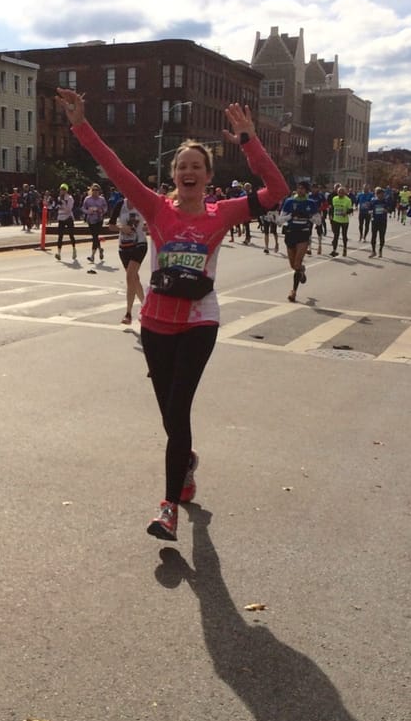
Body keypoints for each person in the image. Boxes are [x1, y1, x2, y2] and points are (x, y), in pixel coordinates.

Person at [55, 88, 288, 543]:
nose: (188, 172)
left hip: (200, 321)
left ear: (207, 176)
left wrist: (248, 140)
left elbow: (277, 192)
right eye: (182, 166)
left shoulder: (224, 213)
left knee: (178, 411)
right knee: (169, 415)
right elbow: (117, 170)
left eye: (196, 167)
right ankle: (186, 463)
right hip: (156, 323)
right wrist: (80, 124)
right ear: (173, 174)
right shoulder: (156, 207)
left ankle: (167, 508)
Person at [279, 180, 320, 303]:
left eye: (303, 188)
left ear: (307, 191)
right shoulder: (289, 201)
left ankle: (294, 292)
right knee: (293, 266)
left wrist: (308, 216)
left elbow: (318, 221)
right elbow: (280, 220)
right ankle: (301, 271)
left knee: (297, 263)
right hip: (291, 233)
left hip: (303, 234)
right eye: (299, 188)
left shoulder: (311, 203)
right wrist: (291, 216)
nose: (300, 190)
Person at [114, 195, 148, 324]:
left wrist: (148, 227)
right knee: (134, 278)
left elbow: (152, 219)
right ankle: (146, 305)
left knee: (130, 276)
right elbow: (111, 225)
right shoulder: (120, 205)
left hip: (139, 243)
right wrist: (121, 228)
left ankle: (128, 314)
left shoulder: (142, 204)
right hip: (124, 245)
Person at [82, 182, 108, 262]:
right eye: (93, 190)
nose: (95, 191)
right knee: (95, 237)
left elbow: (106, 207)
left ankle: (92, 256)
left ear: (99, 191)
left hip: (99, 219)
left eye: (97, 190)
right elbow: (83, 208)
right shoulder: (87, 199)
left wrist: (101, 210)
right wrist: (88, 211)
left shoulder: (102, 199)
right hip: (90, 219)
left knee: (95, 236)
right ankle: (100, 249)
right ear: (91, 190)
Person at [54, 182, 77, 261]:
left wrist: (63, 203)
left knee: (71, 235)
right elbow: (57, 207)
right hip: (61, 218)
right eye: (61, 189)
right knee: (60, 236)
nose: (62, 191)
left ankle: (74, 249)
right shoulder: (58, 198)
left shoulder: (70, 198)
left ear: (66, 190)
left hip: (68, 218)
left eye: (64, 189)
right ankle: (59, 253)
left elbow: (69, 209)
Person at [329, 186, 353, 257]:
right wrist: (330, 215)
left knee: (344, 235)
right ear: (337, 192)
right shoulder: (334, 199)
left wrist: (346, 212)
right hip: (336, 220)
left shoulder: (348, 200)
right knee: (336, 235)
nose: (340, 193)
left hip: (344, 221)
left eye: (342, 192)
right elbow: (332, 208)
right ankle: (334, 250)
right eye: (339, 192)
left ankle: (345, 248)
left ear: (345, 193)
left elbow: (351, 209)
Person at [369, 186, 389, 258]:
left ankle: (380, 250)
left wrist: (386, 210)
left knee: (382, 237)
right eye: (379, 194)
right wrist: (371, 214)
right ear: (376, 194)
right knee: (373, 236)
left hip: (383, 221)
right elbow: (370, 209)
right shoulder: (373, 201)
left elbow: (389, 209)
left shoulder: (385, 201)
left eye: (382, 194)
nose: (381, 195)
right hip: (375, 221)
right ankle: (373, 251)